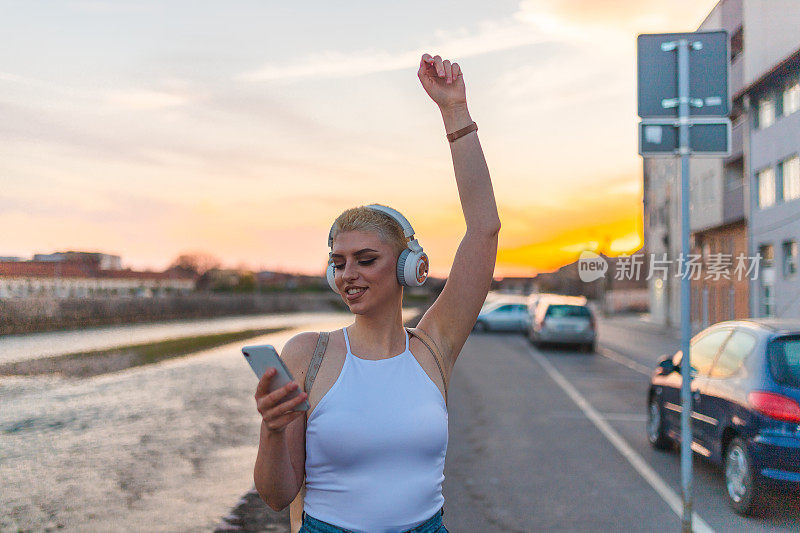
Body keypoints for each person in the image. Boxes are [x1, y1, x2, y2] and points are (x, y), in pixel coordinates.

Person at [253, 52, 500, 533]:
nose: (349, 274)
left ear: (408, 268)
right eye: (338, 263)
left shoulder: (434, 348)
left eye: (367, 260)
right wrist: (272, 429)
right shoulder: (307, 355)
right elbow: (276, 495)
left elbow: (484, 229)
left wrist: (455, 112)